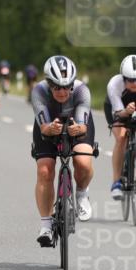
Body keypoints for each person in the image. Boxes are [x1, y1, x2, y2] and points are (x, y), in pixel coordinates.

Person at [31, 56, 95, 246]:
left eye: (67, 87)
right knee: (45, 170)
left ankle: (82, 193)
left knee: (83, 161)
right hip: (49, 125)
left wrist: (78, 129)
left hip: (77, 124)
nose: (62, 91)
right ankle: (46, 225)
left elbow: (83, 126)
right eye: (57, 87)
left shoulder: (82, 90)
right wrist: (49, 128)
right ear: (49, 83)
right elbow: (43, 127)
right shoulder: (39, 91)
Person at [104, 54, 136, 200]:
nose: (134, 83)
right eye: (130, 80)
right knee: (121, 138)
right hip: (117, 109)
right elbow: (119, 114)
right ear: (123, 78)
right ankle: (116, 182)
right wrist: (126, 111)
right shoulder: (114, 85)